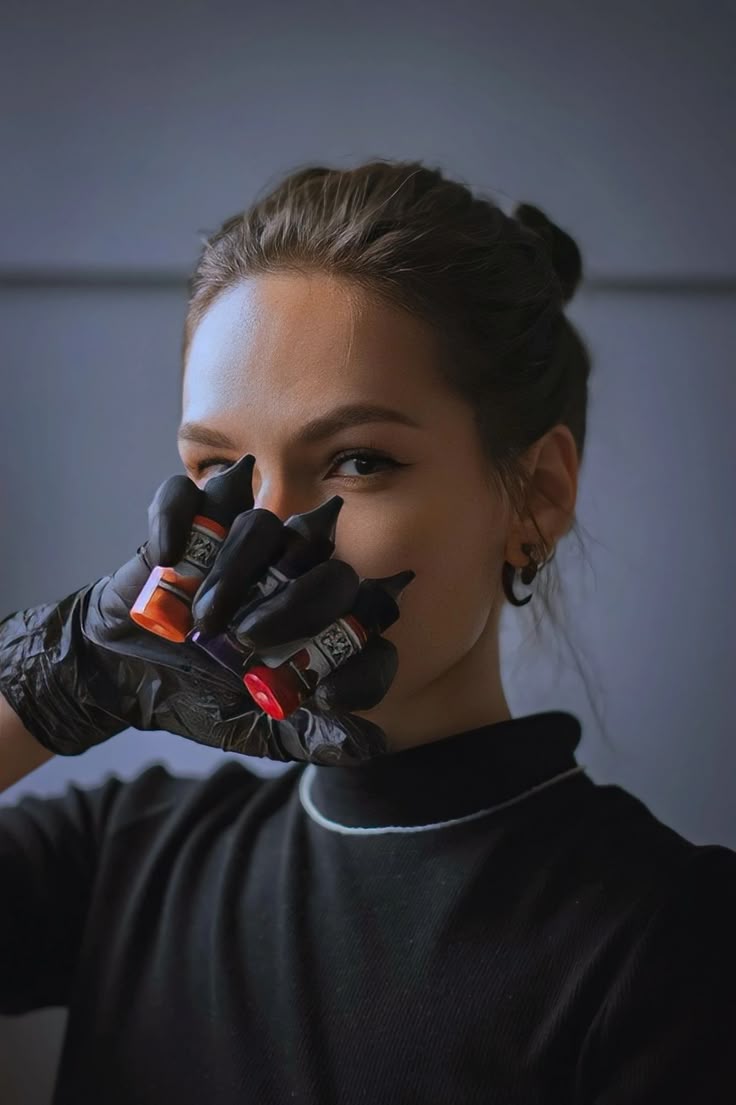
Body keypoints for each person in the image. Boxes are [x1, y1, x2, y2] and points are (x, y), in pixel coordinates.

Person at [1, 158, 734, 1103]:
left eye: (358, 460)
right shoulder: (124, 856)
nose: (265, 534)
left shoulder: (672, 939)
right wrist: (52, 684)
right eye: (221, 469)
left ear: (537, 497)